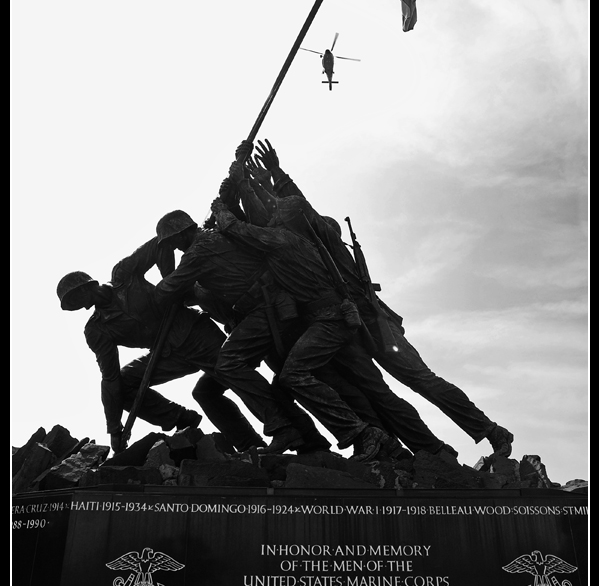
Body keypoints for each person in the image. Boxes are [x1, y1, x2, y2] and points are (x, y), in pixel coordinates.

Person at [250, 138, 515, 457]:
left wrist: (278, 176)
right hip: (350, 329)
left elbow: (303, 210)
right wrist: (253, 187)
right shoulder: (304, 253)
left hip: (375, 324)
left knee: (422, 380)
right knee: (378, 394)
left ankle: (491, 431)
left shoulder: (328, 242)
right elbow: (276, 224)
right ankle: (426, 450)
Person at [209, 163, 456, 461]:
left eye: (278, 212)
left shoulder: (288, 240)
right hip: (320, 325)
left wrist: (226, 202)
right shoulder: (293, 236)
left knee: (367, 389)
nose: (272, 213)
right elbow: (260, 216)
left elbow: (243, 226)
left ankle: (412, 445)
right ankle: (387, 445)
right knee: (357, 391)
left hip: (331, 324)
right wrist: (248, 181)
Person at [56, 231, 266, 455]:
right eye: (72, 303)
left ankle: (286, 428)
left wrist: (172, 284)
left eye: (75, 296)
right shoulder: (97, 330)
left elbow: (160, 245)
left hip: (195, 334)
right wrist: (114, 429)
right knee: (125, 384)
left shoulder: (123, 274)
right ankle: (183, 419)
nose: (77, 303)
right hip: (168, 354)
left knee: (235, 376)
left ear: (88, 285)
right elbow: (110, 378)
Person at [153, 209, 333, 455]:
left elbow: (165, 290)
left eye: (172, 241)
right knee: (215, 388)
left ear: (184, 232)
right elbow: (188, 290)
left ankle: (285, 431)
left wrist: (162, 258)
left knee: (228, 364)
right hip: (256, 315)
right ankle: (298, 438)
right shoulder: (209, 244)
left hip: (268, 309)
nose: (173, 247)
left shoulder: (199, 250)